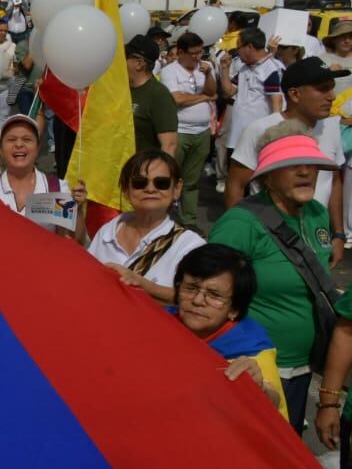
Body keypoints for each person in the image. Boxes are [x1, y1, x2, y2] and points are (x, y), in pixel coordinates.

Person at [209, 121, 340, 434]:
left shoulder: (317, 214)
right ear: (268, 176)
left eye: (310, 164)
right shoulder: (240, 223)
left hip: (304, 368)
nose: (305, 171)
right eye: (292, 165)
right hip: (255, 369)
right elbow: (207, 292)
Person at [224, 58, 346, 270]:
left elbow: (333, 181)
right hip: (269, 235)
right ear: (295, 94)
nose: (331, 96)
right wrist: (239, 236)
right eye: (322, 89)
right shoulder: (260, 129)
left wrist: (337, 234)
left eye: (332, 89)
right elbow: (235, 185)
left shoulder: (332, 128)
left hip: (316, 236)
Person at [169, 245, 286, 415]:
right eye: (191, 288)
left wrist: (260, 389)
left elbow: (273, 406)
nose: (198, 300)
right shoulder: (157, 321)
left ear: (234, 309)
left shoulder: (252, 352)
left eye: (214, 295)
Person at [84, 150, 206, 304]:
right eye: (139, 183)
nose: (150, 189)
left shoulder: (190, 245)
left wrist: (143, 285)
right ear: (126, 190)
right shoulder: (108, 231)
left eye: (161, 183)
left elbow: (195, 299)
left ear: (177, 189)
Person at [159, 32, 218, 228]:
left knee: (191, 181)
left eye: (200, 52)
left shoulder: (204, 69)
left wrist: (209, 75)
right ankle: (163, 219)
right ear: (181, 52)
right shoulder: (170, 71)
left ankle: (189, 221)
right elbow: (176, 99)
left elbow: (213, 92)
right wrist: (202, 97)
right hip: (180, 132)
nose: (197, 57)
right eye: (193, 53)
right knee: (170, 177)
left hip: (201, 133)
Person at [0, 114, 70, 234]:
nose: (19, 145)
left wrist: (79, 210)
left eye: (27, 139)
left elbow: (74, 240)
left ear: (38, 148)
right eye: (11, 139)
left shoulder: (59, 189)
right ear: (1, 149)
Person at [220, 27, 284, 155]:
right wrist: (225, 70)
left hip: (257, 138)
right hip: (237, 136)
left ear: (249, 47)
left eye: (239, 47)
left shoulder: (270, 69)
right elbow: (229, 92)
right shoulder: (244, 68)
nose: (237, 52)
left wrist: (277, 130)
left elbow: (277, 99)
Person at [125, 35, 178, 157]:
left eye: (125, 57)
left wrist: (161, 174)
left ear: (139, 63)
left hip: (144, 170)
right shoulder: (124, 89)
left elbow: (169, 145)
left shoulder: (158, 94)